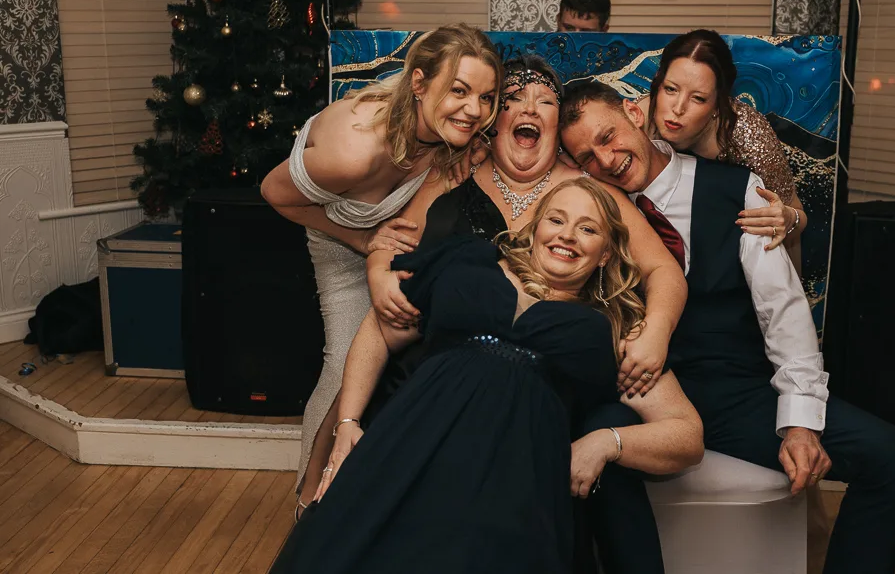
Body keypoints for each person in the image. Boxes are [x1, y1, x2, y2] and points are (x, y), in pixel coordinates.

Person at [559, 81, 895, 574]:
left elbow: (783, 307)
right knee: (594, 452)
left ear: (633, 112)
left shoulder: (734, 187)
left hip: (735, 391)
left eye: (608, 137)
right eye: (588, 157)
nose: (606, 160)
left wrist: (798, 421)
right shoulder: (589, 207)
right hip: (646, 394)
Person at [269, 179, 705, 574]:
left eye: (588, 229)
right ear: (535, 229)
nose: (568, 235)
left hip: (512, 482)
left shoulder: (615, 327)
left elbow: (686, 434)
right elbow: (380, 331)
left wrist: (606, 443)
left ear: (606, 253)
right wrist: (348, 423)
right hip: (413, 444)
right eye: (556, 219)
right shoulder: (468, 263)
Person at [260, 24, 502, 515]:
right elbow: (272, 193)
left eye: (486, 96)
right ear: (418, 84)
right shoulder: (353, 152)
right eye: (459, 90)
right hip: (334, 235)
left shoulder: (454, 137)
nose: (474, 110)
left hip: (390, 243)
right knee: (344, 364)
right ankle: (308, 503)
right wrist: (362, 239)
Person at [364, 56, 686, 404]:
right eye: (514, 98)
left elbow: (663, 268)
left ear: (556, 125)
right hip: (432, 371)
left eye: (545, 101)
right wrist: (377, 272)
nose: (530, 109)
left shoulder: (592, 193)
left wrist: (656, 330)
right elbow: (395, 242)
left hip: (546, 383)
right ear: (493, 119)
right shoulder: (452, 174)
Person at [637, 29, 809, 264]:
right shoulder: (637, 121)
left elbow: (794, 215)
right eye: (670, 89)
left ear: (718, 104)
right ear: (657, 82)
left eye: (698, 98)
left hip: (725, 253)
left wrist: (789, 219)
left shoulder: (747, 135)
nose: (678, 108)